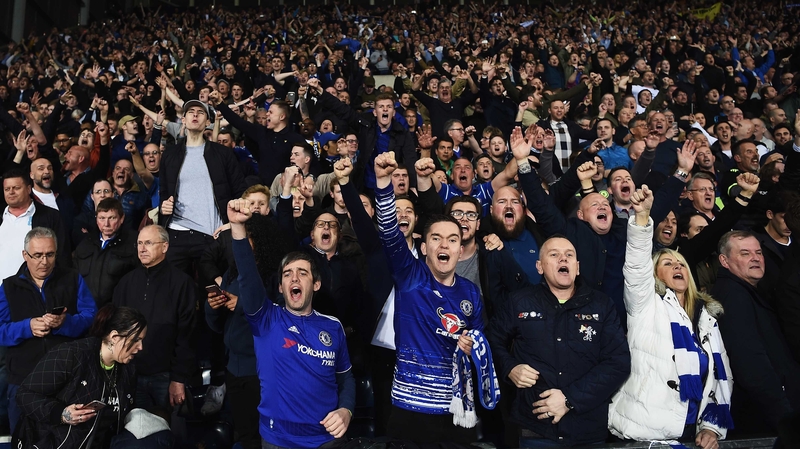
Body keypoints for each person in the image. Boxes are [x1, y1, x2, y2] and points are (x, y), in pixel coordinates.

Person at [373, 151, 497, 443]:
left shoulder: (470, 293)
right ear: (424, 247)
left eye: (453, 240)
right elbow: (390, 233)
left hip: (454, 410)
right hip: (408, 408)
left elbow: (479, 343)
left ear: (459, 247)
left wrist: (472, 346)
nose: (445, 244)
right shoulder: (410, 276)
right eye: (436, 239)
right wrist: (382, 182)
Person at [609, 186, 733, 449]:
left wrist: (711, 427)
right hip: (643, 435)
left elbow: (720, 378)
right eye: (667, 264)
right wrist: (642, 218)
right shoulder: (645, 304)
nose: (677, 266)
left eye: (680, 263)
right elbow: (636, 266)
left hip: (690, 434)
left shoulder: (706, 317)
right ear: (654, 275)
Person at [228, 198, 355, 448]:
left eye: (302, 273)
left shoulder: (333, 326)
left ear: (315, 285)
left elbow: (346, 379)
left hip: (327, 441)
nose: (294, 277)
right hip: (279, 441)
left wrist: (346, 411)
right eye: (287, 274)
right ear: (281, 286)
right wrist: (237, 228)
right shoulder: (266, 319)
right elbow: (248, 276)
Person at [488, 236, 630, 447]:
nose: (563, 259)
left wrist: (569, 400)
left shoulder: (601, 305)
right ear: (539, 266)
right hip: (535, 431)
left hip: (587, 433)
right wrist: (510, 367)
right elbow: (491, 340)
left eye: (569, 255)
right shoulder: (519, 301)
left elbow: (618, 363)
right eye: (554, 254)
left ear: (578, 267)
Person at [0, 227, 97, 432]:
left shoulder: (73, 278)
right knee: (22, 436)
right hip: (22, 379)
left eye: (50, 254)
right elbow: (1, 331)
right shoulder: (8, 287)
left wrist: (66, 323)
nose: (44, 262)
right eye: (37, 255)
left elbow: (91, 317)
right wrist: (27, 327)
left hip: (66, 377)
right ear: (25, 255)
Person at [13, 305, 146, 449]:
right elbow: (25, 395)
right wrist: (61, 414)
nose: (140, 347)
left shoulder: (128, 370)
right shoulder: (71, 355)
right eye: (136, 340)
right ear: (114, 337)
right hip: (52, 443)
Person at [712, 231, 800, 434]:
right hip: (761, 420)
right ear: (724, 261)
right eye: (745, 253)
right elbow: (750, 364)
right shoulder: (733, 296)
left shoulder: (747, 292)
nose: (755, 258)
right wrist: (785, 419)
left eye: (758, 252)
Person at [112, 225, 196, 411]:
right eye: (139, 243)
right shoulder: (126, 283)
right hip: (130, 374)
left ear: (165, 247)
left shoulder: (182, 283)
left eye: (148, 243)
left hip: (165, 377)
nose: (142, 249)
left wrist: (178, 379)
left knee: (167, 432)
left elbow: (187, 335)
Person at [73, 198, 139, 308]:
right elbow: (74, 279)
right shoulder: (85, 244)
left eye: (112, 218)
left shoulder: (134, 242)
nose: (106, 224)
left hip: (119, 311)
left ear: (121, 218)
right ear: (96, 219)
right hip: (87, 313)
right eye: (102, 218)